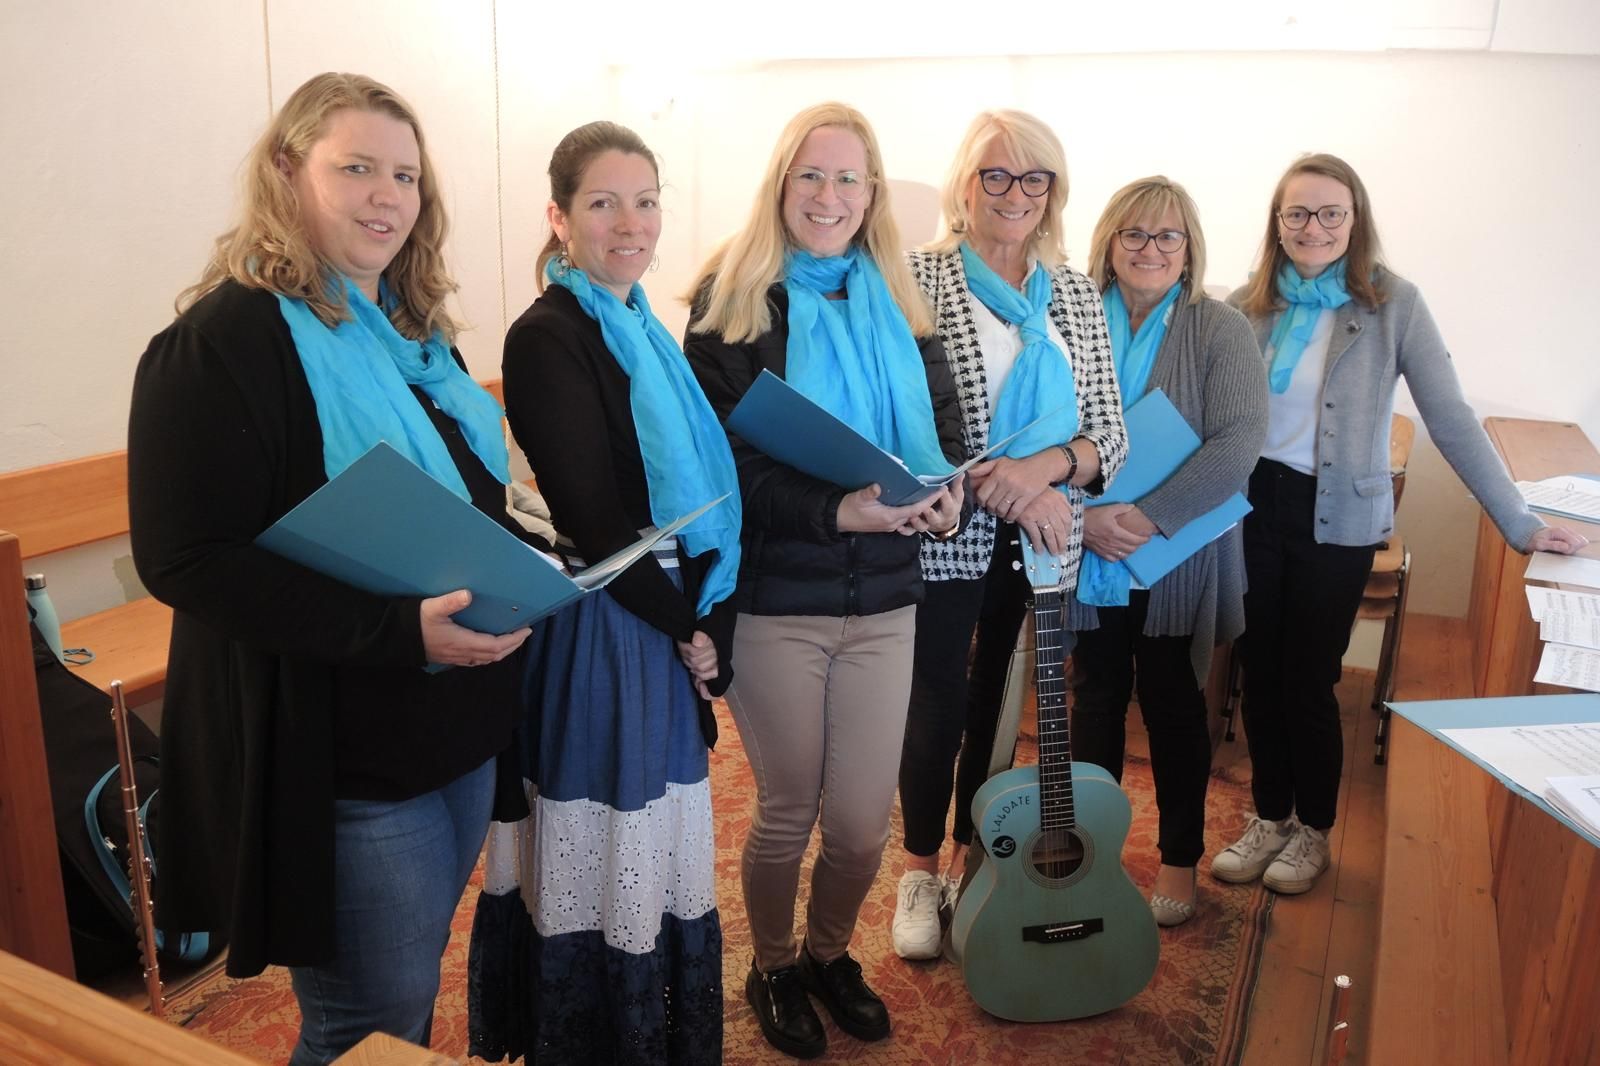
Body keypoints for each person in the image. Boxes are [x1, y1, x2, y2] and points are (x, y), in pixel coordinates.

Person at [127, 73, 538, 1064]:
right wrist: (396, 630)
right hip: (342, 748)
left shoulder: (409, 338)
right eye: (355, 168)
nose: (386, 196)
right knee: (366, 1021)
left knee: (410, 987)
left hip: (454, 720)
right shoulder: (220, 344)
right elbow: (186, 560)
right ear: (285, 171)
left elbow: (463, 501)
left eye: (405, 175)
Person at [1216, 152, 1589, 895]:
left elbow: (1449, 416)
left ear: (1355, 220)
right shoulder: (1246, 304)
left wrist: (1519, 522)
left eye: (1330, 212)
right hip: (1251, 510)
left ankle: (1313, 830)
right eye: (1297, 213)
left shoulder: (1394, 304)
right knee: (1258, 671)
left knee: (1309, 680)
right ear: (1277, 223)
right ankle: (1269, 816)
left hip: (1339, 520)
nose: (1314, 227)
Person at [683, 103, 966, 1059]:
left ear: (872, 193)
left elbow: (948, 439)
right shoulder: (730, 302)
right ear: (780, 184)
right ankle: (772, 966)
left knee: (858, 827)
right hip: (778, 604)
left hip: (886, 601)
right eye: (811, 175)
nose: (829, 196)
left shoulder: (906, 305)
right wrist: (834, 510)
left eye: (849, 178)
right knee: (787, 811)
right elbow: (720, 468)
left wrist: (950, 499)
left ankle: (828, 955)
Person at [467, 122, 739, 1065]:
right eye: (603, 203)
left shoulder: (646, 330)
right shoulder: (547, 335)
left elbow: (702, 499)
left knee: (655, 844)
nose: (631, 223)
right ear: (559, 216)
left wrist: (711, 617)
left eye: (646, 201)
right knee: (606, 841)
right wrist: (689, 629)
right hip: (612, 624)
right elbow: (592, 512)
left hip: (666, 616)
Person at [892, 110, 1128, 960]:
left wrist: (1045, 471)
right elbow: (910, 419)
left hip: (1044, 539)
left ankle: (971, 855)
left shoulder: (1074, 294)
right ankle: (919, 871)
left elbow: (1108, 431)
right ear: (966, 184)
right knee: (935, 703)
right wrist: (1009, 486)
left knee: (998, 706)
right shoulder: (916, 278)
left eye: (1035, 178)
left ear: (1053, 192)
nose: (1015, 193)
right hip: (947, 530)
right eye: (996, 174)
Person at [1065, 176, 1267, 927]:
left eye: (1167, 236)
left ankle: (1179, 857)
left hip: (1174, 555)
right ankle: (1089, 853)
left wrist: (1148, 517)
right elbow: (1041, 426)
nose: (1150, 249)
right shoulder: (1072, 316)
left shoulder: (1220, 327)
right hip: (1085, 546)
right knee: (1094, 697)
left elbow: (1239, 442)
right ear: (1110, 242)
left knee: (1173, 702)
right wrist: (1086, 519)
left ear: (1189, 247)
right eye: (1135, 234)